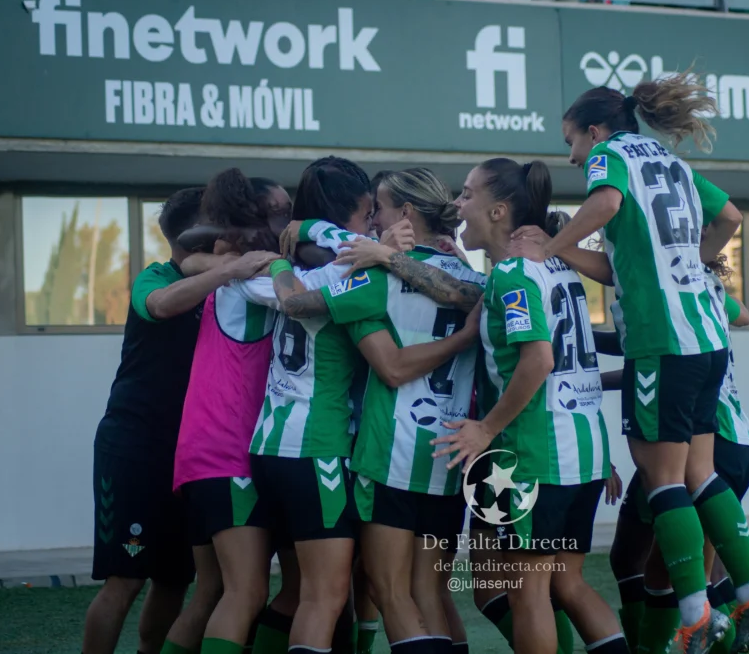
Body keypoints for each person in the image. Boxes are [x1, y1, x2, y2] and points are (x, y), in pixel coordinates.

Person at [509, 76, 749, 654]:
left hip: (663, 338)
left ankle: (696, 614)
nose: (573, 155)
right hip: (706, 337)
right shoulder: (671, 162)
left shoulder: (610, 157)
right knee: (699, 473)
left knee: (662, 478)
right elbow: (728, 216)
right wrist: (690, 264)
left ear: (597, 130)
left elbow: (606, 202)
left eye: (572, 141)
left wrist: (549, 250)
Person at [273, 168, 485, 654]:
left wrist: (277, 262)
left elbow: (300, 304)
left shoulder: (374, 279)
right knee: (429, 593)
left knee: (390, 594)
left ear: (405, 214)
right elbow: (469, 298)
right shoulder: (474, 279)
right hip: (449, 458)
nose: (371, 225)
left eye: (379, 211)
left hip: (390, 455)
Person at [432, 158, 628, 654]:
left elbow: (539, 360)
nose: (458, 203)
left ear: (498, 211)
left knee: (527, 591)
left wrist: (484, 429)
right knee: (566, 585)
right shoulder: (556, 265)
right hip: (580, 454)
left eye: (467, 194)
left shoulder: (515, 275)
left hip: (537, 460)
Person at [84, 187, 276, 654]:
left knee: (174, 579)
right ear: (201, 233)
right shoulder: (156, 277)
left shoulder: (237, 287)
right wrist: (230, 269)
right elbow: (161, 305)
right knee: (125, 580)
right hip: (134, 448)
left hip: (192, 457)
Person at [601, 252, 749, 654]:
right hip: (735, 441)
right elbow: (743, 315)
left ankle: (660, 645)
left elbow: (658, 366)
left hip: (703, 440)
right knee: (672, 563)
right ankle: (735, 613)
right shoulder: (698, 285)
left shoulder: (658, 288)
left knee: (668, 570)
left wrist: (582, 370)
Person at [160, 170, 289, 654]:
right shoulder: (254, 279)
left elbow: (193, 253)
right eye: (280, 212)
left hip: (202, 455)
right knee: (247, 591)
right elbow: (308, 292)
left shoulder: (229, 270)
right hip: (227, 455)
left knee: (213, 591)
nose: (289, 220)